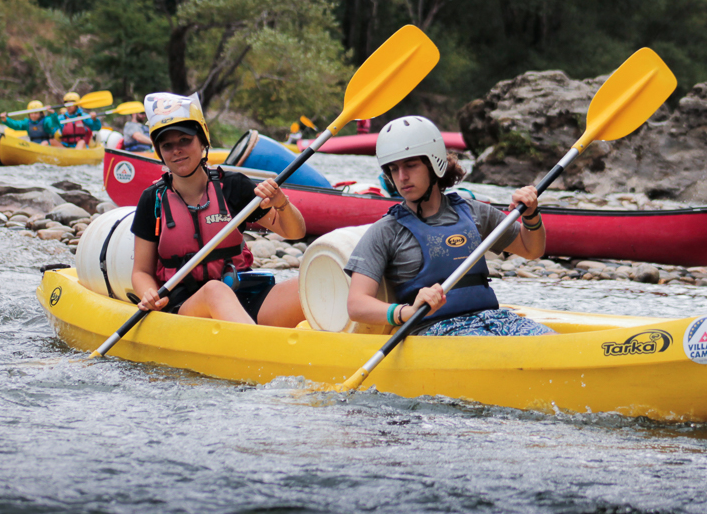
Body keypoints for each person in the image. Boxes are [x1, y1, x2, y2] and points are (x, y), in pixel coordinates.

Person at [345, 116, 555, 337]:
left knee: (551, 341)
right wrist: (406, 312)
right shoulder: (386, 231)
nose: (402, 177)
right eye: (393, 169)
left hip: (493, 318)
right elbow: (356, 304)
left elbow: (531, 249)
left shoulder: (474, 212)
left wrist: (531, 214)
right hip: (435, 329)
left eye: (410, 165)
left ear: (434, 163)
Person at [130, 92, 307, 327]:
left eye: (185, 140)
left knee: (307, 284)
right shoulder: (152, 199)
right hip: (186, 305)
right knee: (214, 291)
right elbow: (141, 271)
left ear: (203, 141)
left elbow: (294, 232)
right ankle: (258, 350)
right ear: (159, 152)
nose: (177, 150)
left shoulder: (233, 186)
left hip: (244, 295)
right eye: (167, 145)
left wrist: (280, 201)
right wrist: (148, 293)